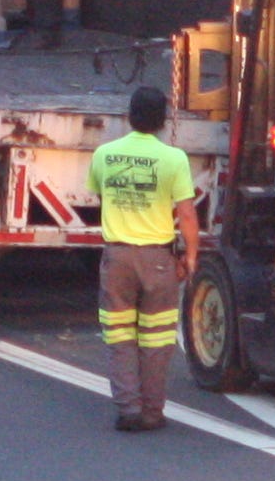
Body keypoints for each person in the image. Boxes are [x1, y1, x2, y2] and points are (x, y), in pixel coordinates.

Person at [85, 83, 199, 431]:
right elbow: (188, 215)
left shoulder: (104, 154)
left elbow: (99, 197)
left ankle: (128, 410)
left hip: (117, 258)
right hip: (159, 260)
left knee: (119, 338)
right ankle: (152, 412)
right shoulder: (174, 158)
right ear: (163, 119)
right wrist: (190, 257)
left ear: (129, 116)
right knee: (157, 341)